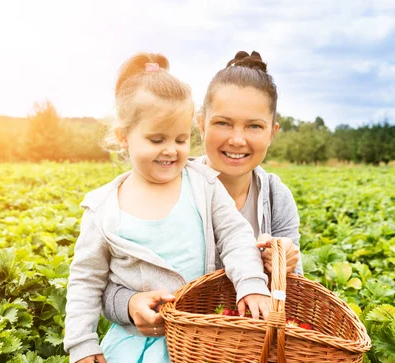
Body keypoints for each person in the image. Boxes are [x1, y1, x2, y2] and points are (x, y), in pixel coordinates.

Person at [64, 52, 272, 363]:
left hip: (200, 346)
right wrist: (82, 343)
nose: (171, 151)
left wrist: (252, 285)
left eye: (180, 139)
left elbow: (237, 236)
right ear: (124, 137)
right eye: (156, 140)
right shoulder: (104, 209)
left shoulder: (203, 184)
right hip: (139, 347)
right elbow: (85, 279)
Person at [102, 50, 302, 343]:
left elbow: (297, 297)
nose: (237, 139)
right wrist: (130, 305)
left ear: (272, 132)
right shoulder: (167, 185)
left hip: (248, 350)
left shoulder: (275, 197)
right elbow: (104, 283)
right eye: (223, 123)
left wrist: (288, 263)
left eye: (254, 126)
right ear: (200, 123)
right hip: (177, 348)